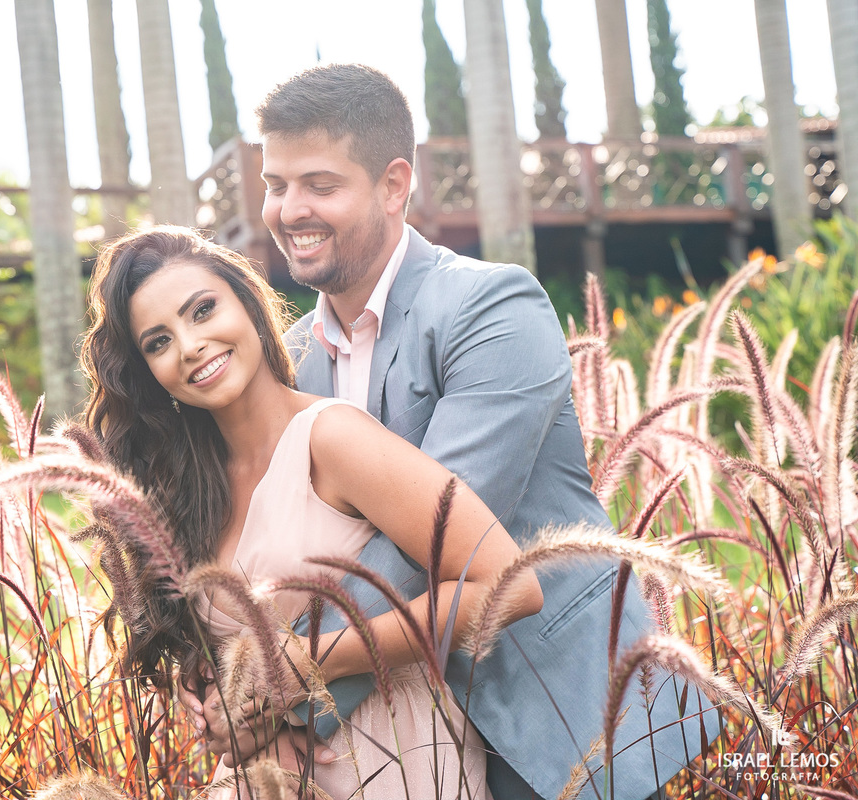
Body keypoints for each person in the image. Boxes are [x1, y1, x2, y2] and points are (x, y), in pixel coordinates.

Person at [182, 64, 721, 800]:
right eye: (276, 185)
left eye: (320, 184)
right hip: (394, 747)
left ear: (395, 185)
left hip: (546, 711)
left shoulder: (491, 308)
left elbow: (429, 540)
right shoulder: (291, 359)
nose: (289, 209)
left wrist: (280, 684)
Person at [80, 225, 546, 798]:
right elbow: (240, 632)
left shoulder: (331, 438)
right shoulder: (188, 488)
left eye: (202, 310)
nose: (190, 345)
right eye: (158, 341)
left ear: (248, 303)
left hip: (385, 761)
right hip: (260, 778)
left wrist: (309, 661)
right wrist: (206, 682)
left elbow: (511, 586)